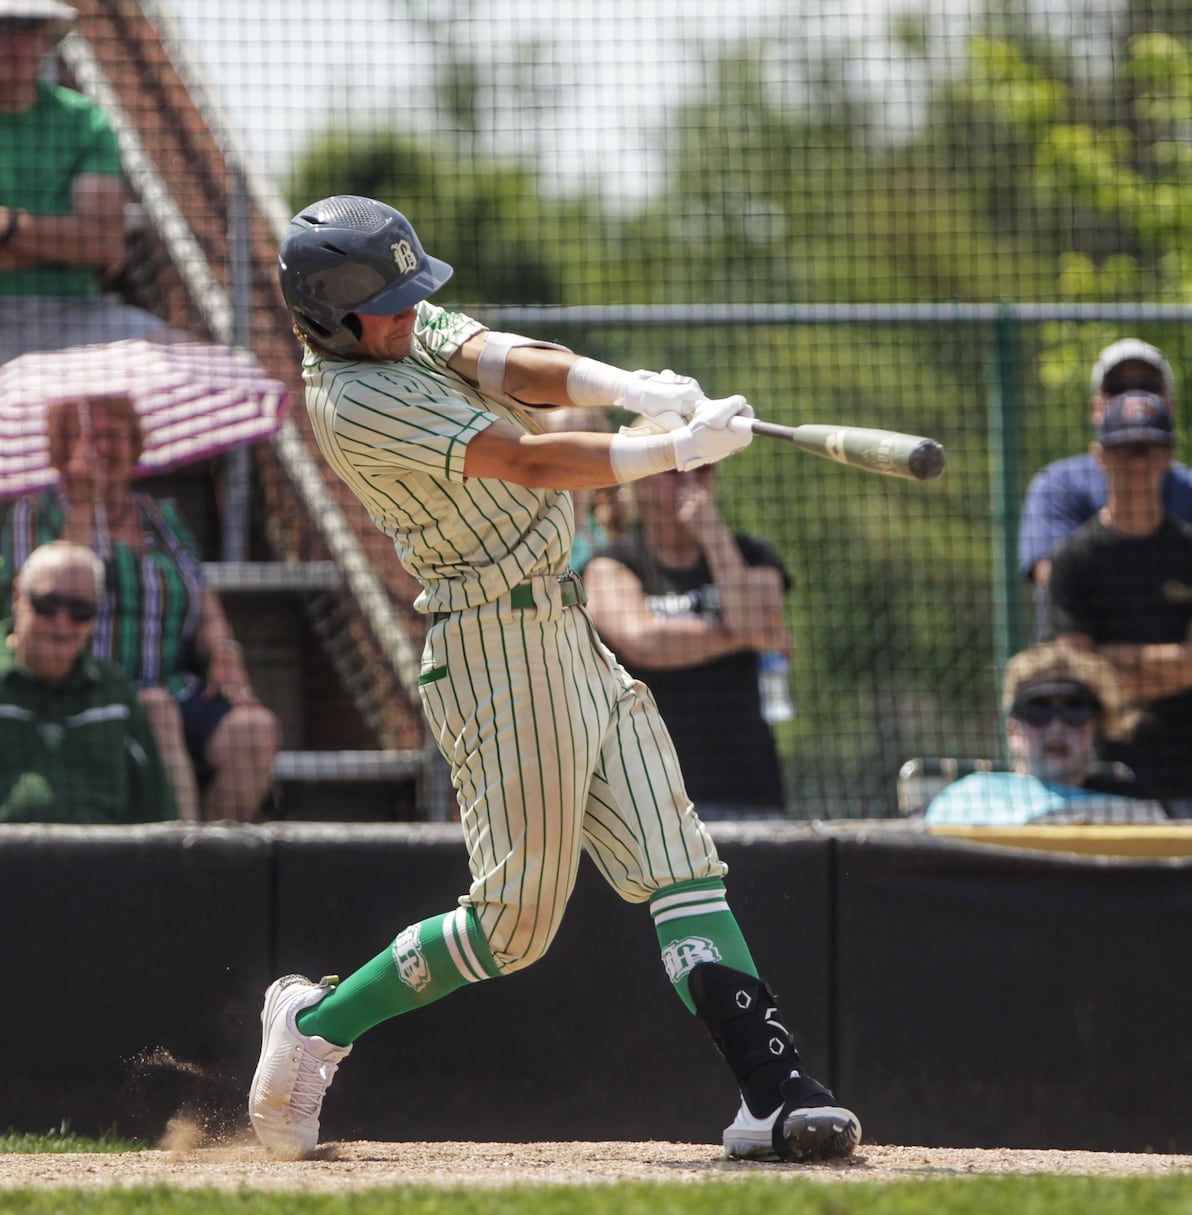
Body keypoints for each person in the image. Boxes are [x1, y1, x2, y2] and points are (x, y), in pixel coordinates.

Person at [250, 194, 860, 1163]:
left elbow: (498, 358)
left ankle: (776, 1092)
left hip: (563, 625)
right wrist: (670, 450)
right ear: (331, 315)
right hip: (492, 643)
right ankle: (319, 1025)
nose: (410, 315)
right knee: (510, 926)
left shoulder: (398, 332)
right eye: (389, 305)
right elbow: (527, 460)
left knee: (679, 859)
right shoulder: (354, 401)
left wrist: (628, 385)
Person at [0, 393, 279, 822]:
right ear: (60, 448)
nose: (102, 447)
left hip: (172, 681)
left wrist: (225, 653)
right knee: (156, 709)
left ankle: (219, 855)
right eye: (83, 435)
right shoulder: (36, 513)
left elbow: (201, 595)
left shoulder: (160, 517)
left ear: (135, 444)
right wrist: (87, 501)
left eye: (114, 435)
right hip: (89, 685)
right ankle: (180, 858)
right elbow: (54, 589)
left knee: (253, 731)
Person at [1044, 390, 1192, 817]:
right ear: (1100, 456)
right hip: (1100, 776)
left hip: (1191, 774)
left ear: (1169, 456)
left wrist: (1114, 659)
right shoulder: (1073, 559)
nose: (1138, 463)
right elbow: (1079, 673)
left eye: (1150, 449)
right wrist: (1188, 659)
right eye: (1126, 449)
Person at [584, 458, 792, 820]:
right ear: (640, 480)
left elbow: (758, 623)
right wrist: (740, 635)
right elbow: (645, 642)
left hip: (744, 787)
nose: (691, 480)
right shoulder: (611, 561)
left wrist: (714, 537)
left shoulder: (751, 553)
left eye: (704, 468)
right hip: (645, 790)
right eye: (674, 468)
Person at [0, 0, 176, 363]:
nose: (14, 43)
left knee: (186, 358)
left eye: (27, 28)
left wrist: (5, 227)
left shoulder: (84, 119)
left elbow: (103, 244)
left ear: (45, 37)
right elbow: (96, 243)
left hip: (80, 312)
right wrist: (68, 246)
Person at [1018, 338, 1192, 633]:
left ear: (1170, 403)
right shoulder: (1056, 485)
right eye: (1116, 387)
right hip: (1079, 666)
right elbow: (1054, 581)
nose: (1132, 397)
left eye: (1149, 386)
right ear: (1095, 405)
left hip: (1184, 670)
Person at [0, 540, 176, 822]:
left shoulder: (114, 694)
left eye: (80, 610)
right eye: (47, 605)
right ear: (18, 597)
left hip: (103, 862)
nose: (62, 624)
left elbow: (158, 808)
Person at [923, 641, 1167, 825]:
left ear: (1095, 726)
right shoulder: (968, 798)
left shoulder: (1132, 812)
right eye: (1039, 710)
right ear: (1013, 731)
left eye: (1075, 710)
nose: (1057, 727)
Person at [543, 405, 631, 570]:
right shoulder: (533, 532)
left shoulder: (607, 531)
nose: (574, 454)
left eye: (584, 432)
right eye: (562, 436)